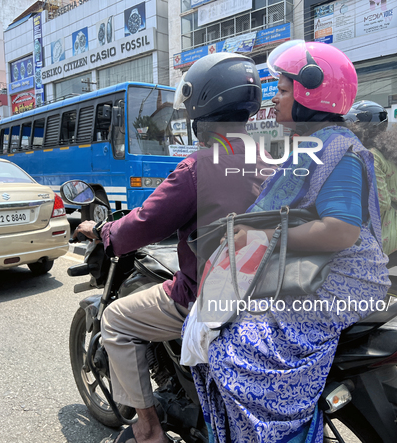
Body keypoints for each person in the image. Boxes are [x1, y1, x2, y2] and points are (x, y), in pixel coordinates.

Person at [190, 40, 391, 442]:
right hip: (316, 272)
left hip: (339, 283)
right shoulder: (317, 144)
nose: (274, 101)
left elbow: (340, 231)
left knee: (231, 353)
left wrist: (265, 235)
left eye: (282, 91)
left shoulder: (340, 151)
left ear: (310, 92)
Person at [73, 52, 271, 443]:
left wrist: (102, 230)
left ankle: (147, 430)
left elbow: (140, 226)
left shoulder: (198, 167)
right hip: (266, 294)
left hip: (208, 297)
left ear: (201, 111)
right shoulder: (271, 158)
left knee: (115, 320)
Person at [345, 100, 397, 255]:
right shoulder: (390, 153)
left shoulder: (372, 156)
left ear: (363, 128)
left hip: (383, 231)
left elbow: (381, 203)